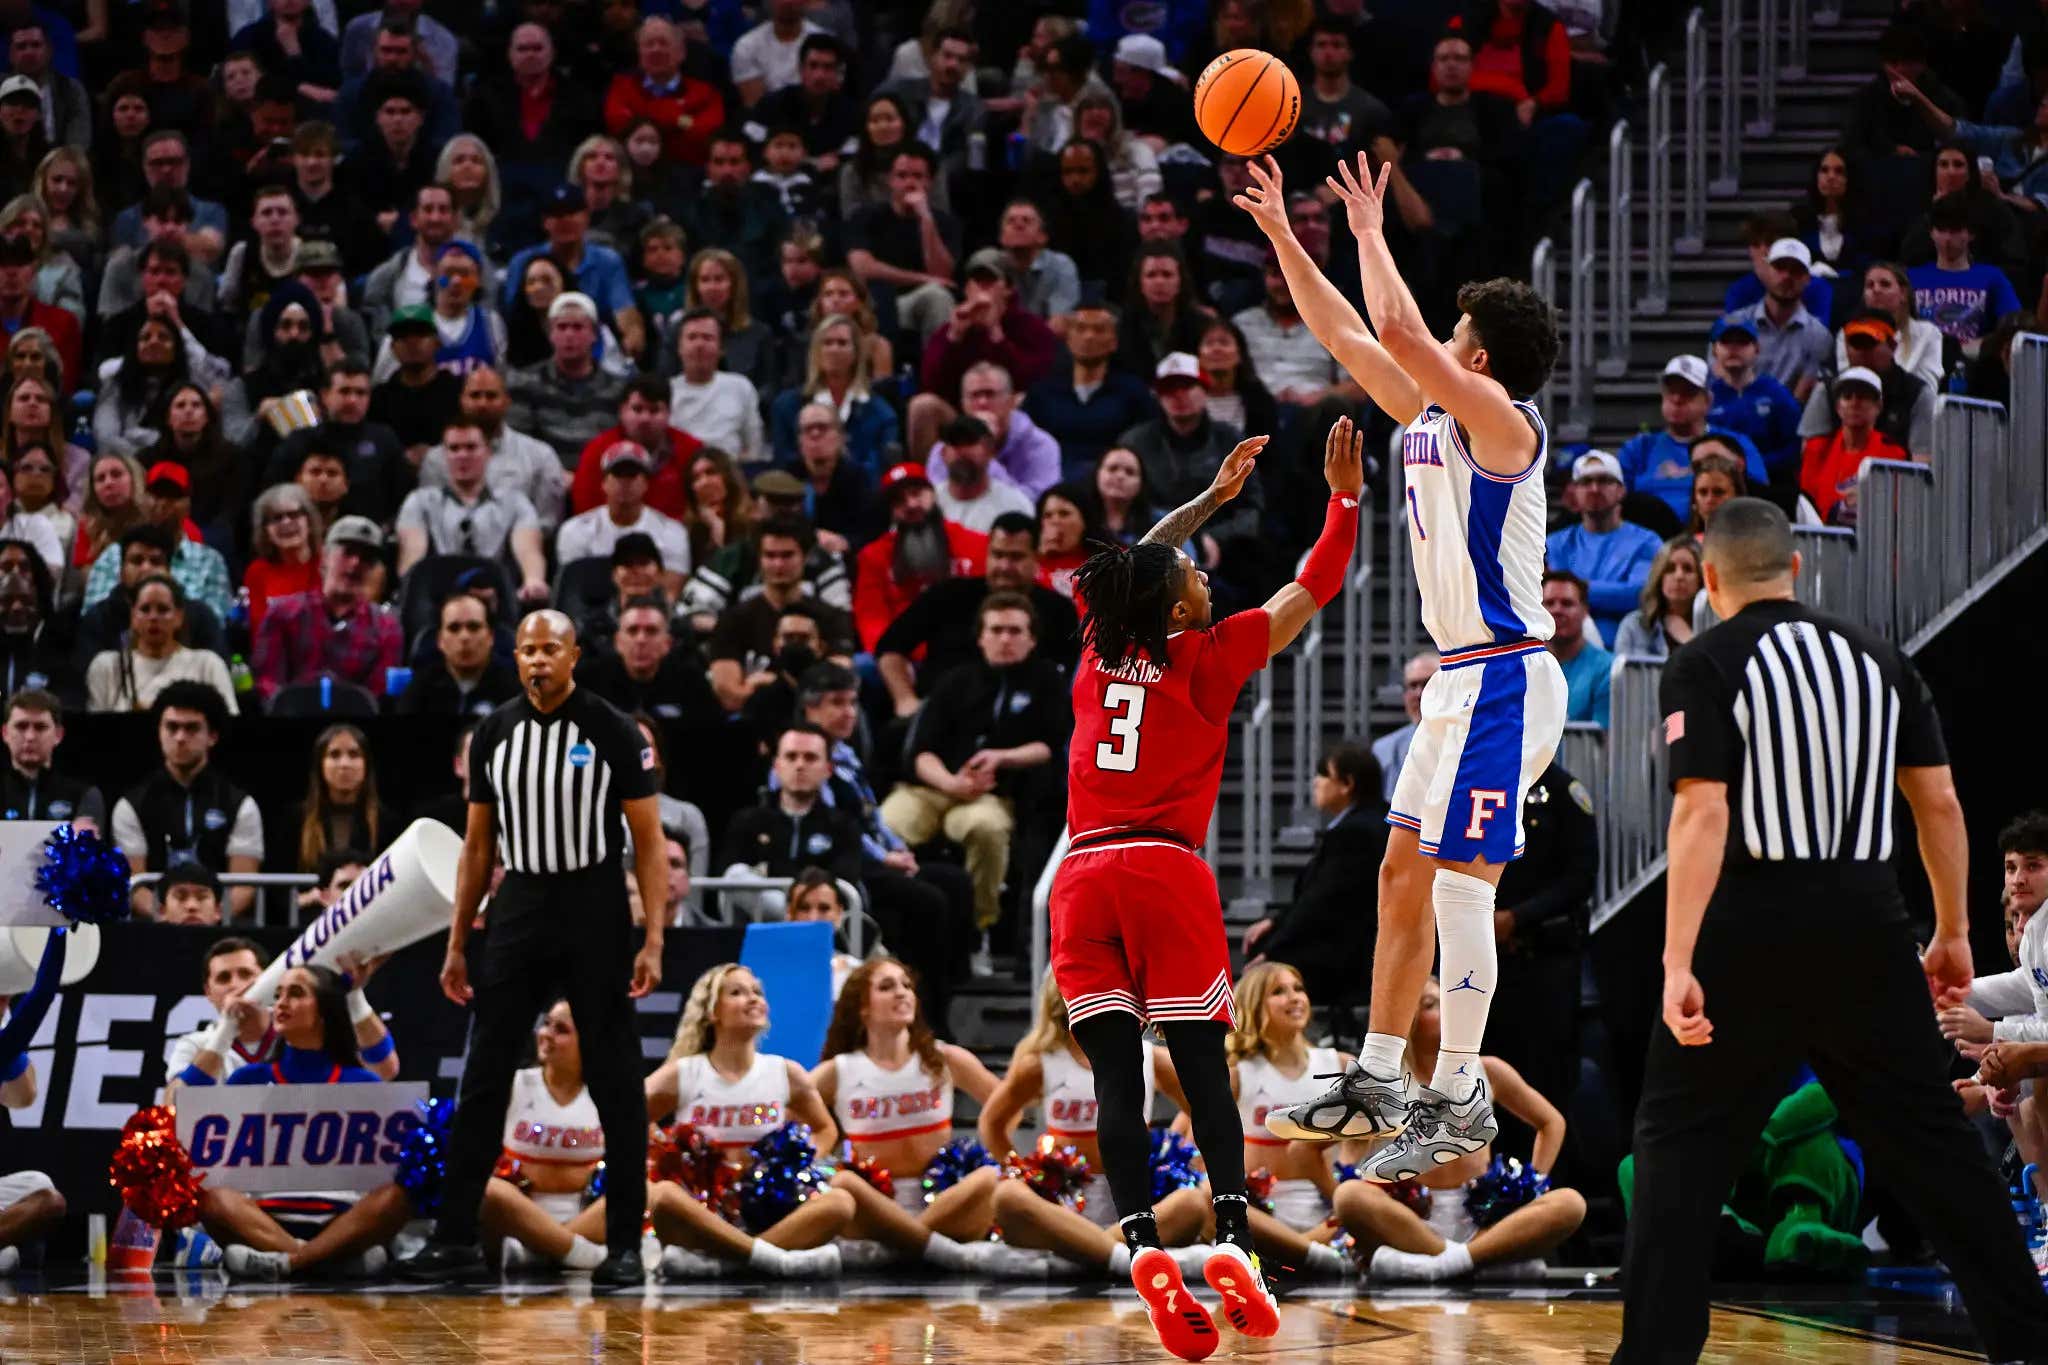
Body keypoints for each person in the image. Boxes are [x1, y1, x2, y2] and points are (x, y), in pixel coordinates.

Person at [1617, 497, 2048, 1362]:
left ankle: (1657, 1353)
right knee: (1933, 1142)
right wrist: (1953, 928)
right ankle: (2028, 1339)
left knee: (1680, 1147)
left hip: (1749, 925)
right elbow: (1939, 802)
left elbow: (1701, 813)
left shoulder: (1704, 661)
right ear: (1796, 567)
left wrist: (1676, 960)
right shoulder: (1879, 659)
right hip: (1867, 923)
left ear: (1709, 579)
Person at [1237, 154, 1562, 1182]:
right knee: (1398, 873)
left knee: (1462, 887)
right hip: (1458, 683)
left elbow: (1399, 330)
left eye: (1455, 332)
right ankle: (1379, 1075)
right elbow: (1348, 334)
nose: (1436, 340)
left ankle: (1459, 1095)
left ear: (1479, 355)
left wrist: (1372, 232)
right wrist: (1287, 240)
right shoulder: (1429, 417)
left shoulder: (1505, 425)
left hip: (1506, 676)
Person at [1048, 414, 1360, 1357]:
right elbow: (1312, 586)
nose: (1203, 575)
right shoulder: (1209, 653)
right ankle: (1231, 1236)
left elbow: (1137, 560)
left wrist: (1211, 501)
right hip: (1164, 868)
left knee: (1115, 1076)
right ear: (1179, 612)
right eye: (1194, 575)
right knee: (1200, 1069)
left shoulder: (1100, 647)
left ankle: (1142, 1242)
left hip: (1081, 874)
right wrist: (1344, 501)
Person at [401, 611, 668, 1288]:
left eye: (551, 648)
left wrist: (654, 936)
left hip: (594, 901)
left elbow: (648, 840)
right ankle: (456, 1237)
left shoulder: (612, 728)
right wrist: (457, 940)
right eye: (527, 650)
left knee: (615, 1076)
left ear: (574, 655)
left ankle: (625, 1244)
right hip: (519, 901)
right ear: (514, 658)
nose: (539, 660)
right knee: (484, 1073)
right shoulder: (494, 733)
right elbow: (477, 847)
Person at [1333, 975, 1586, 1282]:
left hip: (1482, 1220)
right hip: (1410, 1219)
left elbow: (1551, 1123)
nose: (1449, 1010)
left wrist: (1530, 1186)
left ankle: (1443, 1264)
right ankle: (1480, 1262)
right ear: (1406, 1019)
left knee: (1570, 1203)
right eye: (1432, 1005)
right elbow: (1346, 1150)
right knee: (1349, 1196)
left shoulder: (1487, 1069)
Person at [178, 963, 414, 1282]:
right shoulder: (249, 1079)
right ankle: (324, 1261)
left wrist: (355, 994)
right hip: (261, 1221)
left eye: (296, 993)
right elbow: (185, 1101)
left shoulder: (362, 1082)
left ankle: (284, 1262)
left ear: (325, 1011)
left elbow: (385, 1060)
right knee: (210, 1193)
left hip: (342, 1223)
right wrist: (226, 1030)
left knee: (397, 1195)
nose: (281, 1003)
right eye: (278, 995)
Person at [811, 957, 1045, 1273]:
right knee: (843, 1184)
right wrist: (823, 1144)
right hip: (874, 1207)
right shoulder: (838, 1070)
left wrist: (998, 1144)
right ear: (862, 1007)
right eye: (886, 987)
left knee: (989, 1179)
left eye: (907, 986)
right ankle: (936, 1250)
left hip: (945, 1201)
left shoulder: (943, 1057)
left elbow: (1009, 1110)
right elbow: (792, 1124)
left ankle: (900, 1248)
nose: (902, 993)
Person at [979, 976, 1211, 1277]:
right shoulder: (1042, 1062)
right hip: (1063, 1205)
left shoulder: (1148, 1057)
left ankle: (1083, 1252)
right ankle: (1123, 1257)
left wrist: (1191, 1158)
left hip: (1138, 1200)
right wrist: (1024, 1173)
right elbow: (992, 1123)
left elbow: (1203, 1109)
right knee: (1007, 1197)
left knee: (1192, 1202)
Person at [641, 963, 851, 1279]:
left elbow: (825, 1128)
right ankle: (774, 1259)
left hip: (770, 1208)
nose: (753, 999)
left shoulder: (784, 1072)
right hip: (704, 1211)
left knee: (841, 1202)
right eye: (737, 993)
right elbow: (632, 1118)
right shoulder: (686, 1073)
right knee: (664, 1196)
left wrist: (794, 1165)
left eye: (757, 992)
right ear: (713, 1012)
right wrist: (665, 1155)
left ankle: (729, 1262)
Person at [881, 593, 1067, 946]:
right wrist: (951, 783)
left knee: (987, 829)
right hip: (933, 788)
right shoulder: (954, 681)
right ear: (980, 637)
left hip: (991, 795)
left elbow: (1049, 746)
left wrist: (1000, 758)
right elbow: (920, 753)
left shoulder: (1047, 682)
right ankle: (885, 925)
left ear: (1032, 638)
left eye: (1015, 631)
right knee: (887, 823)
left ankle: (978, 927)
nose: (1005, 639)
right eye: (996, 630)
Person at [1218, 964, 1364, 1277]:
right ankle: (1312, 1255)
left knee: (1363, 1199)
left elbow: (1362, 1143)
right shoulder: (1238, 1074)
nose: (1295, 997)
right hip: (1260, 1215)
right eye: (1278, 992)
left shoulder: (1338, 1065)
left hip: (1326, 1210)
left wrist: (1341, 1198)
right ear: (1254, 1005)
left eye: (1298, 988)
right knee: (1208, 1196)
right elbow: (1195, 1143)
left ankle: (1297, 1254)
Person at [875, 512, 1079, 714]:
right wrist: (905, 699)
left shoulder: (1059, 611)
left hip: (1025, 718)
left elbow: (1067, 676)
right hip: (940, 715)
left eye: (1016, 557)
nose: (1004, 566)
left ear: (1036, 558)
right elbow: (890, 647)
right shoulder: (947, 595)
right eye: (998, 555)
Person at [1242, 742, 1387, 1002]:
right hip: (1352, 942)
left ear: (1347, 784)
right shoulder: (1372, 820)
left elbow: (1320, 903)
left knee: (1264, 958)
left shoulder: (1355, 833)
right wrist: (1275, 922)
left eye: (1323, 775)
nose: (1315, 782)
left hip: (1348, 955)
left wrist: (1273, 951)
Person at [110, 682, 262, 919]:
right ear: (159, 732)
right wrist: (169, 918)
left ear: (212, 736)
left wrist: (207, 918)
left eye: (192, 728)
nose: (180, 737)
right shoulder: (131, 806)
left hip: (220, 925)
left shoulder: (241, 805)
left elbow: (244, 886)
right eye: (172, 727)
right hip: (154, 927)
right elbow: (134, 885)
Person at [250, 516, 403, 704]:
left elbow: (377, 697)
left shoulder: (386, 627)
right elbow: (267, 682)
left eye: (367, 558)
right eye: (348, 552)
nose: (356, 563)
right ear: (325, 556)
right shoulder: (283, 613)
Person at [852, 464, 988, 654]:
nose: (911, 504)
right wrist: (887, 657)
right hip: (902, 656)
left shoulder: (977, 544)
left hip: (966, 653)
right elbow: (871, 619)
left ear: (933, 494)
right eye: (899, 500)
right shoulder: (873, 557)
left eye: (916, 493)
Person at [1615, 356, 1768, 524]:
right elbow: (1616, 500)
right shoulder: (1639, 449)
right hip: (1652, 534)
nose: (1677, 399)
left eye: (1688, 392)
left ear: (1708, 401)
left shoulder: (1733, 444)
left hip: (1716, 530)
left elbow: (1759, 499)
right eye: (1671, 391)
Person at [1025, 300, 1157, 479]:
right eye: (1080, 328)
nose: (1089, 336)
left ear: (1114, 342)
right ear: (1068, 338)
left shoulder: (1133, 393)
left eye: (1099, 330)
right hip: (1053, 479)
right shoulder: (1043, 392)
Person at [1545, 451, 1663, 646]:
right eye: (1585, 482)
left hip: (1627, 648)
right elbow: (1557, 597)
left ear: (1621, 490)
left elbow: (1640, 595)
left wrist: (1576, 589)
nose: (1594, 488)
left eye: (1604, 480)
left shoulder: (1647, 542)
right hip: (1563, 650)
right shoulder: (1556, 543)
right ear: (1574, 492)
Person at [84, 572, 235, 713]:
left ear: (179, 617)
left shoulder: (207, 665)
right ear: (133, 616)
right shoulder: (108, 667)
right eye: (145, 609)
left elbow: (229, 722)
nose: (153, 617)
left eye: (163, 609)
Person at [1907, 193, 2024, 356]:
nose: (1947, 239)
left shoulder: (1992, 277)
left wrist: (1984, 345)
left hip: (1973, 361)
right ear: (1931, 232)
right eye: (1941, 230)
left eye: (1955, 231)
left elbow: (2015, 324)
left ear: (1971, 234)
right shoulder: (1912, 278)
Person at [1799, 366, 1907, 526]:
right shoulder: (1817, 450)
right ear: (1838, 407)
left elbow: (1893, 512)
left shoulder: (1893, 455)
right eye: (1847, 396)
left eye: (1863, 397)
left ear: (1878, 406)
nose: (1854, 403)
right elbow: (1806, 506)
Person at [666, 310, 763, 465]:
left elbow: (753, 447)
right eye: (692, 337)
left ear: (721, 348)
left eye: (707, 338)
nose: (699, 345)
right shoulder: (666, 391)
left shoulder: (741, 387)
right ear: (680, 347)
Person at [0, 688, 98, 827]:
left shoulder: (83, 795)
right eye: (21, 726)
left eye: (40, 727)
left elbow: (88, 839)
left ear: (58, 735)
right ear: (5, 733)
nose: (30, 737)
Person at [1612, 537, 1703, 659]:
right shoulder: (1633, 626)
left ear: (1700, 579)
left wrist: (1691, 641)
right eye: (1670, 569)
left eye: (1688, 569)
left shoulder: (1714, 626)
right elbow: (1622, 671)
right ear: (1659, 576)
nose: (1679, 576)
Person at [1541, 570, 1611, 726]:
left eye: (1567, 603)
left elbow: (1604, 737)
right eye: (1549, 603)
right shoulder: (1522, 666)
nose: (1557, 610)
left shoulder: (1607, 670)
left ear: (1585, 611)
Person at [1372, 651, 1439, 804]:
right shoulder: (1384, 749)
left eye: (1428, 683)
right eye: (1412, 686)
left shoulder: (1471, 740)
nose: (1419, 694)